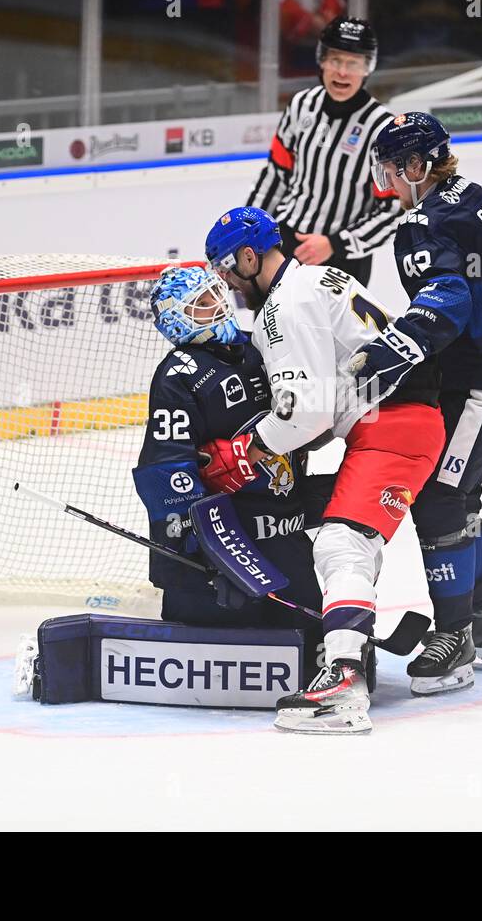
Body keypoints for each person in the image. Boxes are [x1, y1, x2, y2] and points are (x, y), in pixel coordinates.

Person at [200, 205, 445, 734]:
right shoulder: (320, 278)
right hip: (398, 421)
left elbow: (304, 413)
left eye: (225, 268)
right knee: (350, 540)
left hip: (394, 426)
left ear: (249, 256)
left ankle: (344, 682)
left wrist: (246, 448)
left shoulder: (283, 308)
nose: (225, 283)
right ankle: (349, 649)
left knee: (342, 544)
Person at [349, 111, 482, 696]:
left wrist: (397, 345)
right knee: (458, 495)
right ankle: (478, 622)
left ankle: (456, 635)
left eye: (391, 168)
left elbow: (449, 294)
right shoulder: (472, 195)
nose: (385, 179)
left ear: (416, 166)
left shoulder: (420, 221)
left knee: (438, 495)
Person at [132, 266, 325, 677]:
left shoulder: (259, 346)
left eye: (216, 295)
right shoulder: (178, 375)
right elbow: (168, 471)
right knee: (210, 660)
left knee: (309, 652)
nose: (218, 305)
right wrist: (204, 553)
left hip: (281, 535)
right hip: (224, 546)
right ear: (174, 318)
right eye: (201, 304)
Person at [246, 16, 400, 286]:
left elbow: (392, 209)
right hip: (285, 245)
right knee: (274, 327)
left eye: (353, 63)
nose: (342, 72)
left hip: (344, 261)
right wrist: (248, 228)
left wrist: (336, 245)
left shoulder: (382, 129)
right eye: (335, 60)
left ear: (368, 68)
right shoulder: (302, 105)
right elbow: (276, 175)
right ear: (322, 61)